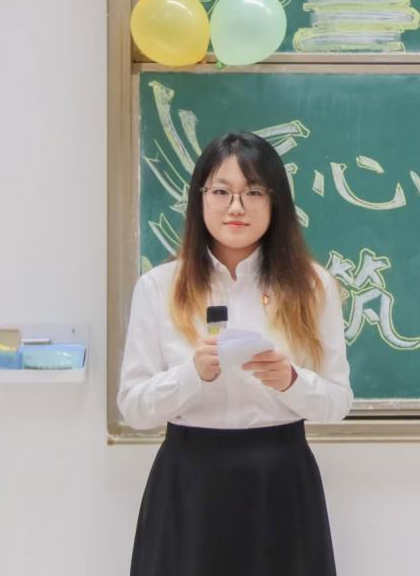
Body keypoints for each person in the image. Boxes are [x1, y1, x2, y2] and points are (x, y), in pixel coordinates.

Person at [119, 131, 352, 576]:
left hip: (280, 481)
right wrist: (192, 373)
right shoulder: (158, 287)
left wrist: (290, 380)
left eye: (254, 192)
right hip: (188, 481)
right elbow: (133, 408)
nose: (236, 207)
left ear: (276, 200)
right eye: (221, 192)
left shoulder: (312, 286)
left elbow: (338, 402)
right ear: (200, 198)